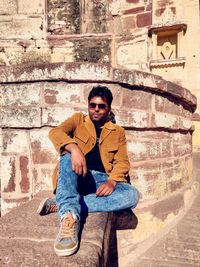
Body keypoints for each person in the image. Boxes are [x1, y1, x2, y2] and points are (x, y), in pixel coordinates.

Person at [37, 85, 139, 257]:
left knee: (132, 195)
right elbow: (56, 132)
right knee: (67, 156)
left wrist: (112, 181)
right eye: (93, 105)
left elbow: (122, 161)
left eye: (101, 106)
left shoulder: (118, 132)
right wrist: (74, 148)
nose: (96, 110)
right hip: (77, 175)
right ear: (88, 105)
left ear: (108, 109)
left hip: (100, 180)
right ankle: (69, 216)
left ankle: (62, 204)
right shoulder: (78, 120)